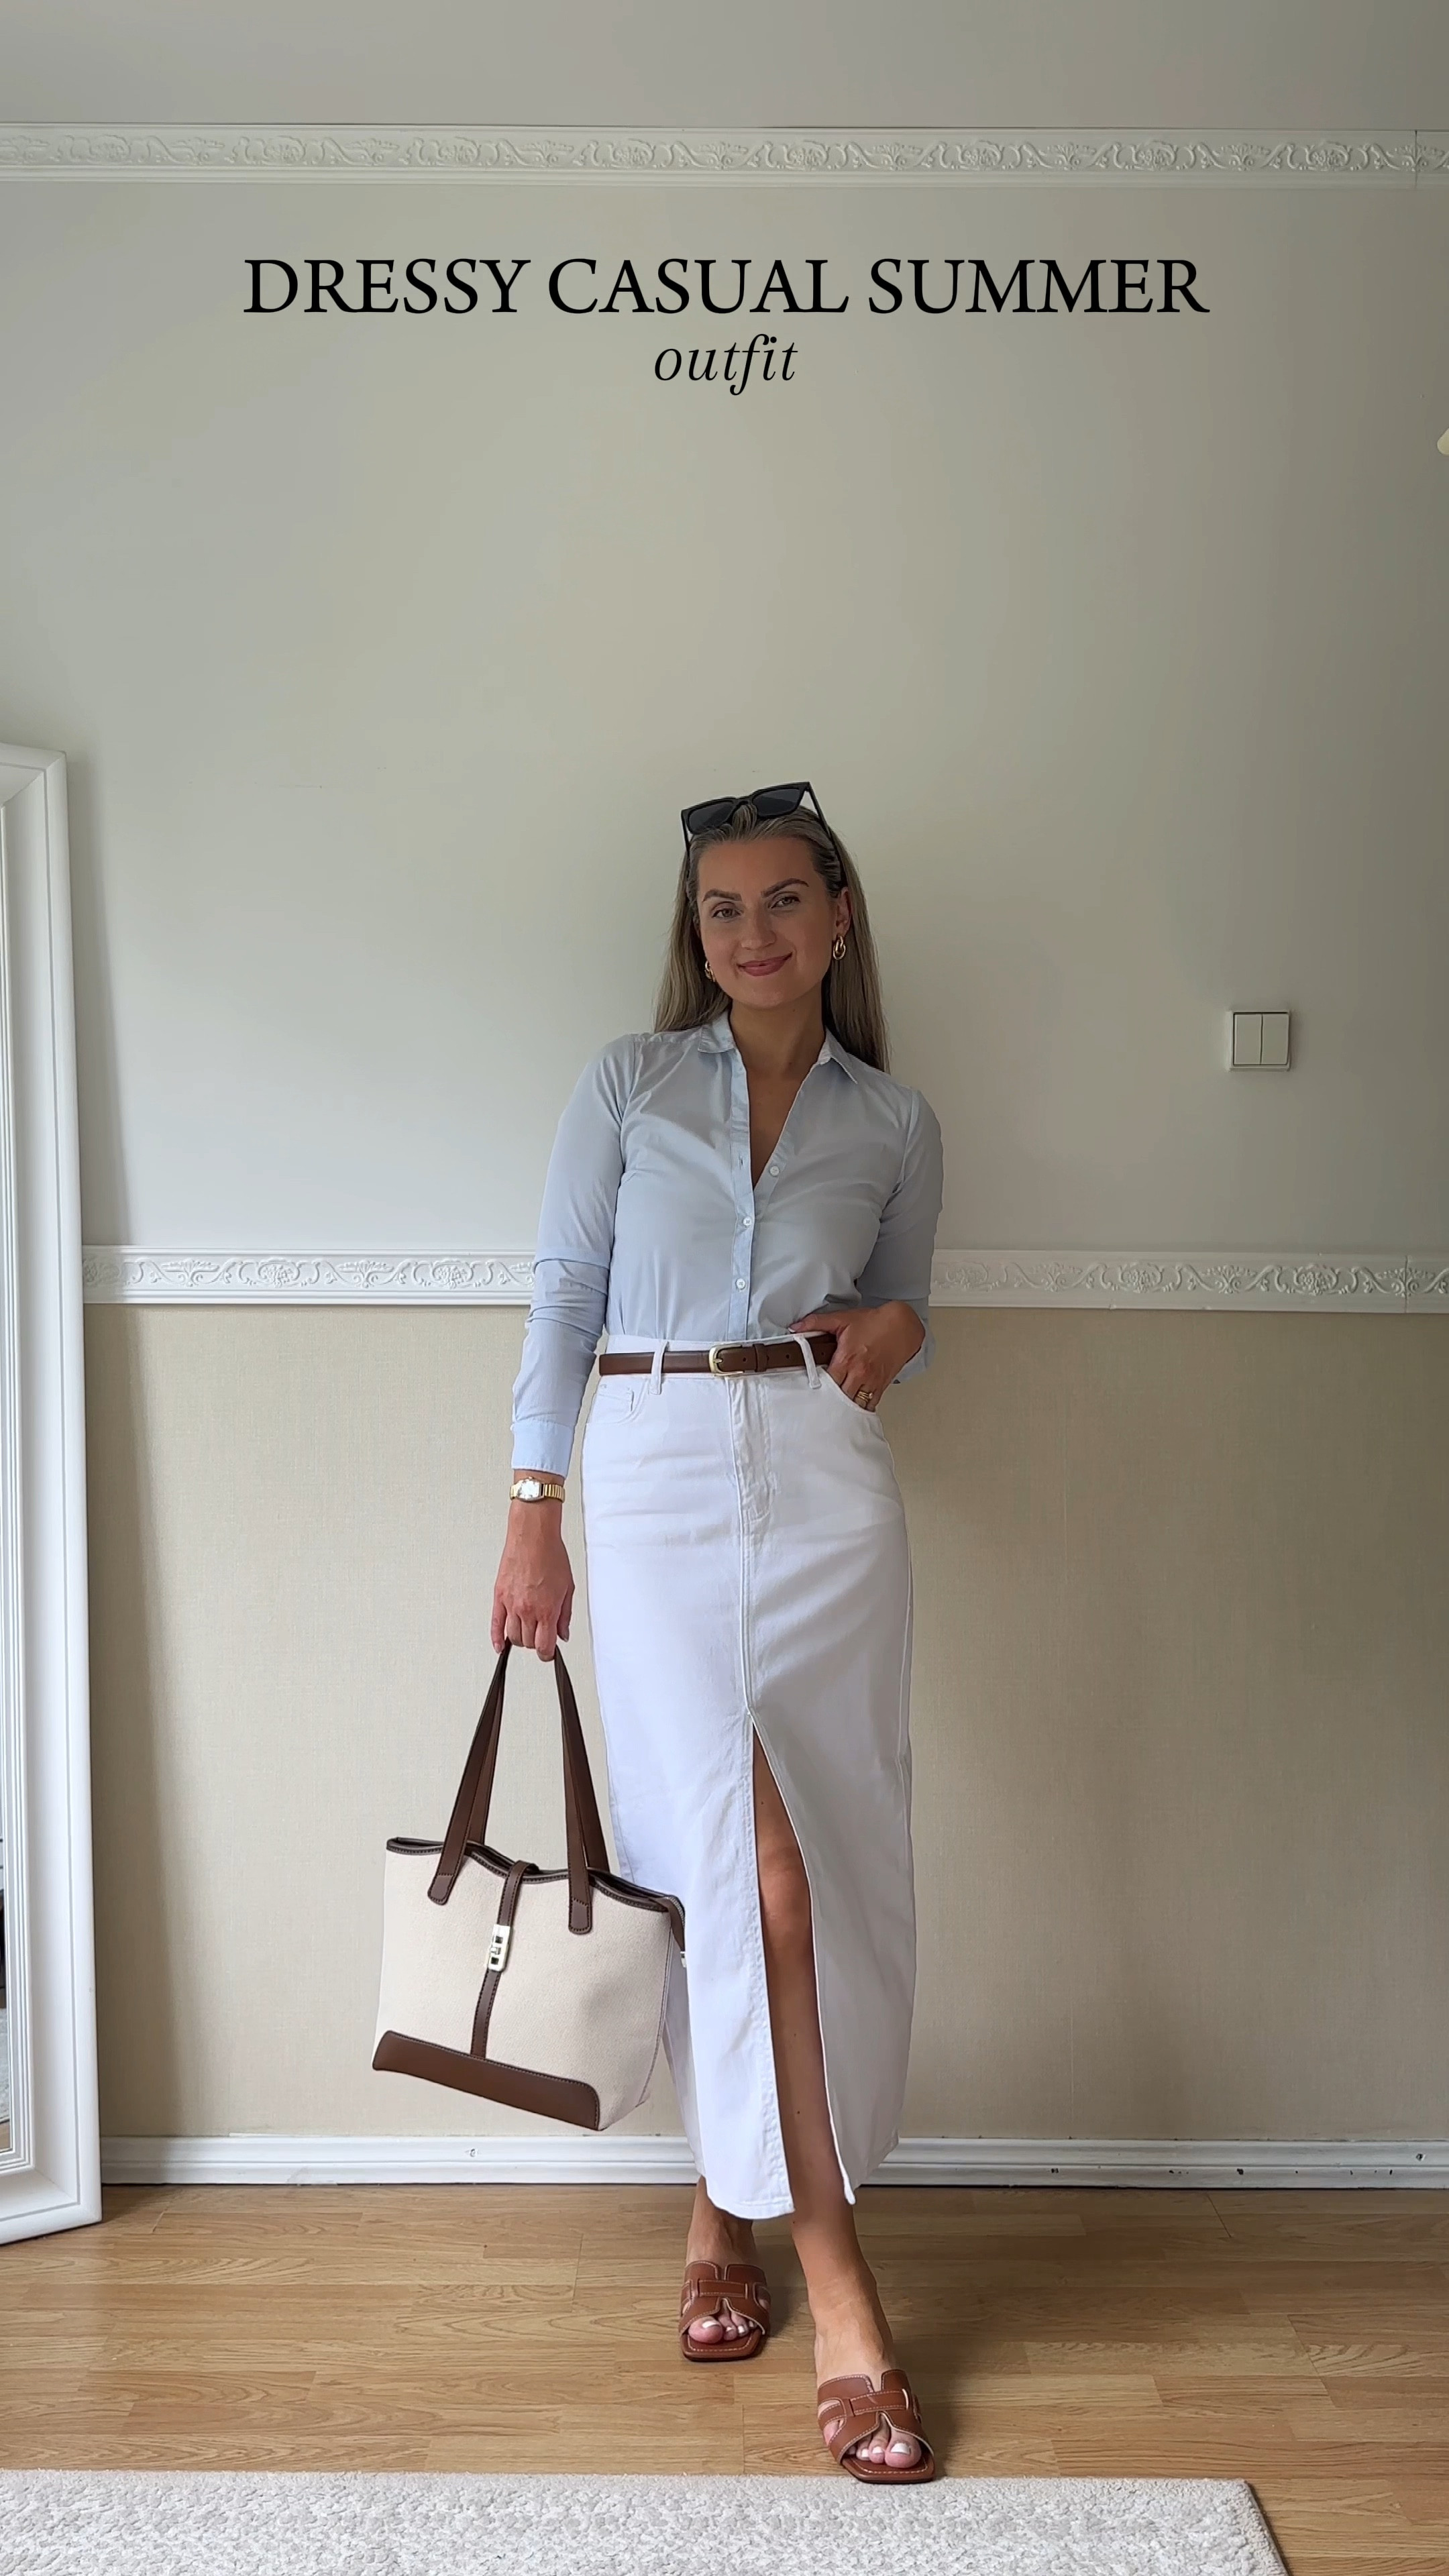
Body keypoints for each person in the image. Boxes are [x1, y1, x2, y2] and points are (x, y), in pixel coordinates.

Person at [492, 782, 944, 2482]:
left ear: (837, 918)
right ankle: (839, 2286)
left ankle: (718, 2209)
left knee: (826, 1862)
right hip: (658, 1465)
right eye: (720, 912)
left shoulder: (896, 1120)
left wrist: (897, 1327)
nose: (749, 936)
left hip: (829, 1485)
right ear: (697, 939)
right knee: (736, 1868)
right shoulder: (629, 1082)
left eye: (779, 904)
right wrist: (534, 1500)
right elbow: (563, 1291)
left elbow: (908, 1312)